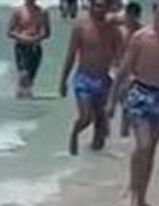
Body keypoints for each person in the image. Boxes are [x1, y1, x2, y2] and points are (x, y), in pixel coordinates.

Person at [106, 0, 159, 206]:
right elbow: (124, 70)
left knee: (150, 151)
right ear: (153, 12)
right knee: (143, 145)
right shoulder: (140, 38)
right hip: (140, 93)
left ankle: (142, 198)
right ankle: (133, 190)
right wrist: (112, 101)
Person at [60, 0, 124, 154]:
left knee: (101, 125)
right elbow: (70, 56)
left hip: (103, 80)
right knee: (86, 116)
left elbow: (119, 61)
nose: (98, 9)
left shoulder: (114, 31)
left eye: (102, 6)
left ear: (108, 8)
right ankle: (74, 134)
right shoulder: (80, 28)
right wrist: (63, 81)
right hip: (84, 79)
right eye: (96, 5)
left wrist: (121, 85)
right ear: (91, 6)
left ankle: (94, 163)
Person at [7, 0, 52, 98]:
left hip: (35, 48)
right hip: (21, 48)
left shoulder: (42, 12)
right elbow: (9, 32)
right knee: (23, 74)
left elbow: (47, 33)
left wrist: (36, 38)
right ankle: (21, 97)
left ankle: (26, 102)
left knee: (30, 78)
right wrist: (23, 38)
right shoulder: (18, 12)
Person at [116, 2, 144, 137]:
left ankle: (126, 135)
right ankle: (124, 135)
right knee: (125, 106)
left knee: (128, 106)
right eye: (129, 16)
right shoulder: (119, 30)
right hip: (118, 71)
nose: (131, 19)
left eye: (134, 17)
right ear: (126, 15)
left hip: (135, 73)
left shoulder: (141, 32)